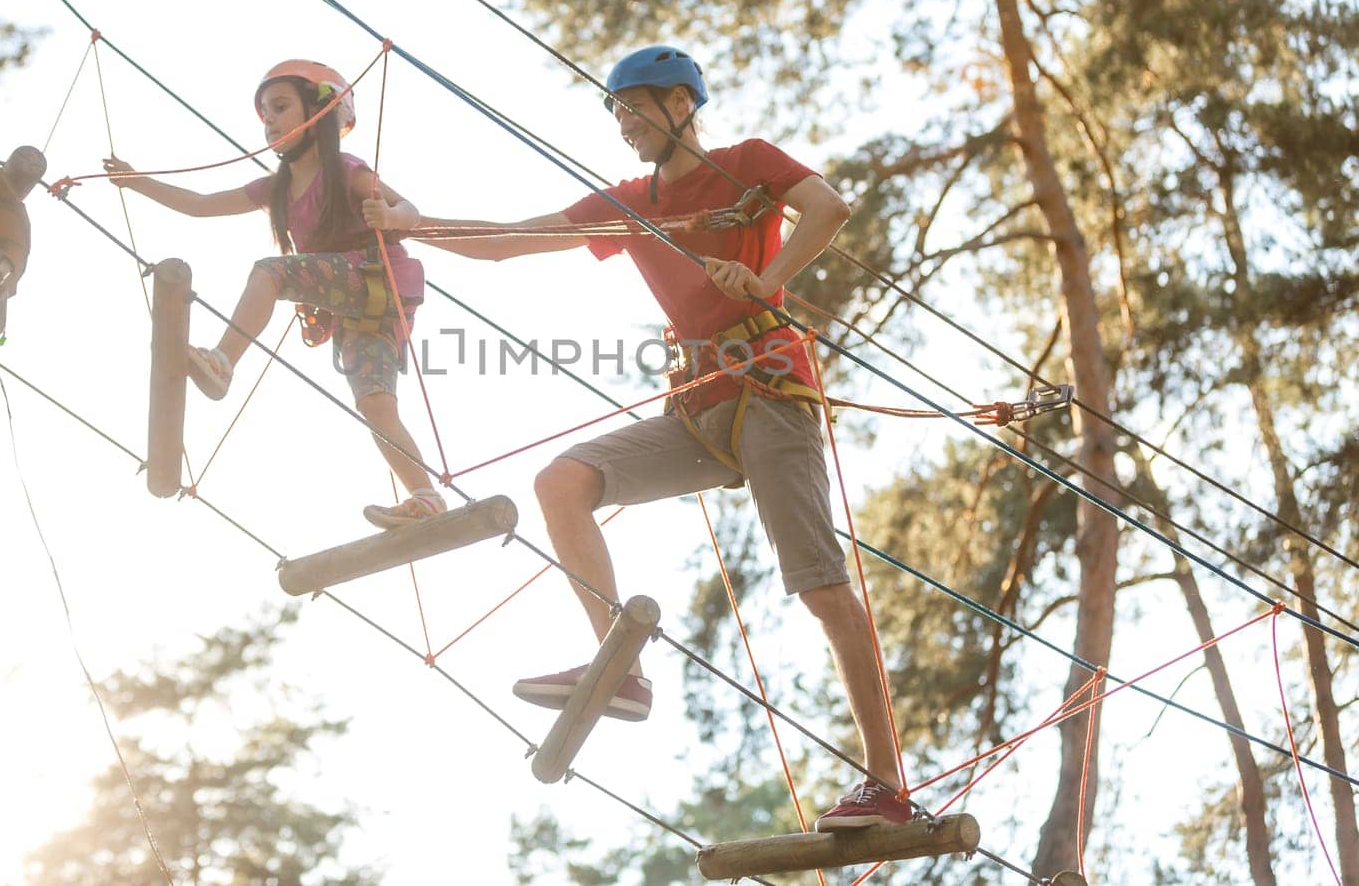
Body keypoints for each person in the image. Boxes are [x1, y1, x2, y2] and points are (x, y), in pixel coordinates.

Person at [407, 45, 912, 829]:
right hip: (698, 410)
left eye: (633, 106)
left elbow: (828, 208)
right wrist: (410, 227)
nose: (623, 124)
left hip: (770, 393)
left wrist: (768, 279)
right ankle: (624, 671)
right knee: (561, 481)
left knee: (817, 582)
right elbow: (509, 239)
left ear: (682, 103)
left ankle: (886, 782)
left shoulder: (746, 165)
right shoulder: (629, 201)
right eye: (614, 112)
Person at [104, 58, 445, 529]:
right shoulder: (276, 188)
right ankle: (426, 497)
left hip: (375, 282)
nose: (269, 120)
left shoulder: (345, 171)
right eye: (265, 111)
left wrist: (392, 218)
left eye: (281, 106)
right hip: (356, 306)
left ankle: (223, 361)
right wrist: (136, 182)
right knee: (374, 403)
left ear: (321, 112)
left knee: (271, 272)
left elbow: (408, 208)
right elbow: (201, 206)